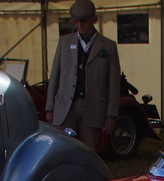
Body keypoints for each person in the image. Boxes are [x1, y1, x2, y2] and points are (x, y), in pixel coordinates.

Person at [45, 0, 120, 150]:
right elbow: (55, 76)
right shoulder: (64, 42)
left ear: (93, 18)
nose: (80, 25)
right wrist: (50, 108)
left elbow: (114, 83)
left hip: (92, 107)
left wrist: (111, 114)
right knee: (61, 149)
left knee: (88, 151)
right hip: (65, 105)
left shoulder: (108, 46)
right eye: (76, 21)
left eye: (84, 21)